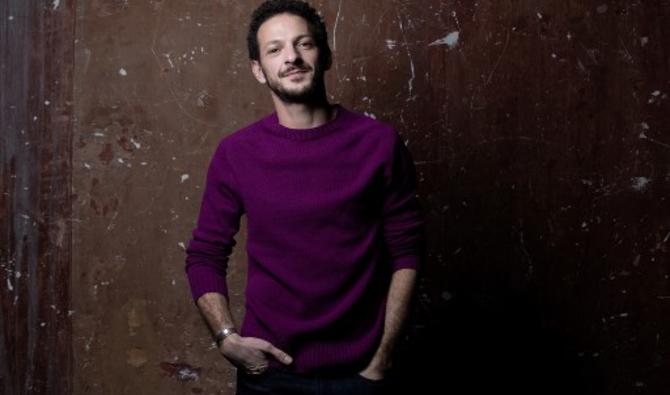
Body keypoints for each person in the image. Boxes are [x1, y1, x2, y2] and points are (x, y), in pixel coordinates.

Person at [184, 1, 425, 394]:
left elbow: (408, 250)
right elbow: (205, 254)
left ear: (325, 55)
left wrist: (382, 359)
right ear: (258, 70)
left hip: (362, 374)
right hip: (270, 375)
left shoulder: (378, 143)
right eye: (275, 49)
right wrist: (226, 338)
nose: (292, 57)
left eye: (304, 44)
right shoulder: (236, 154)